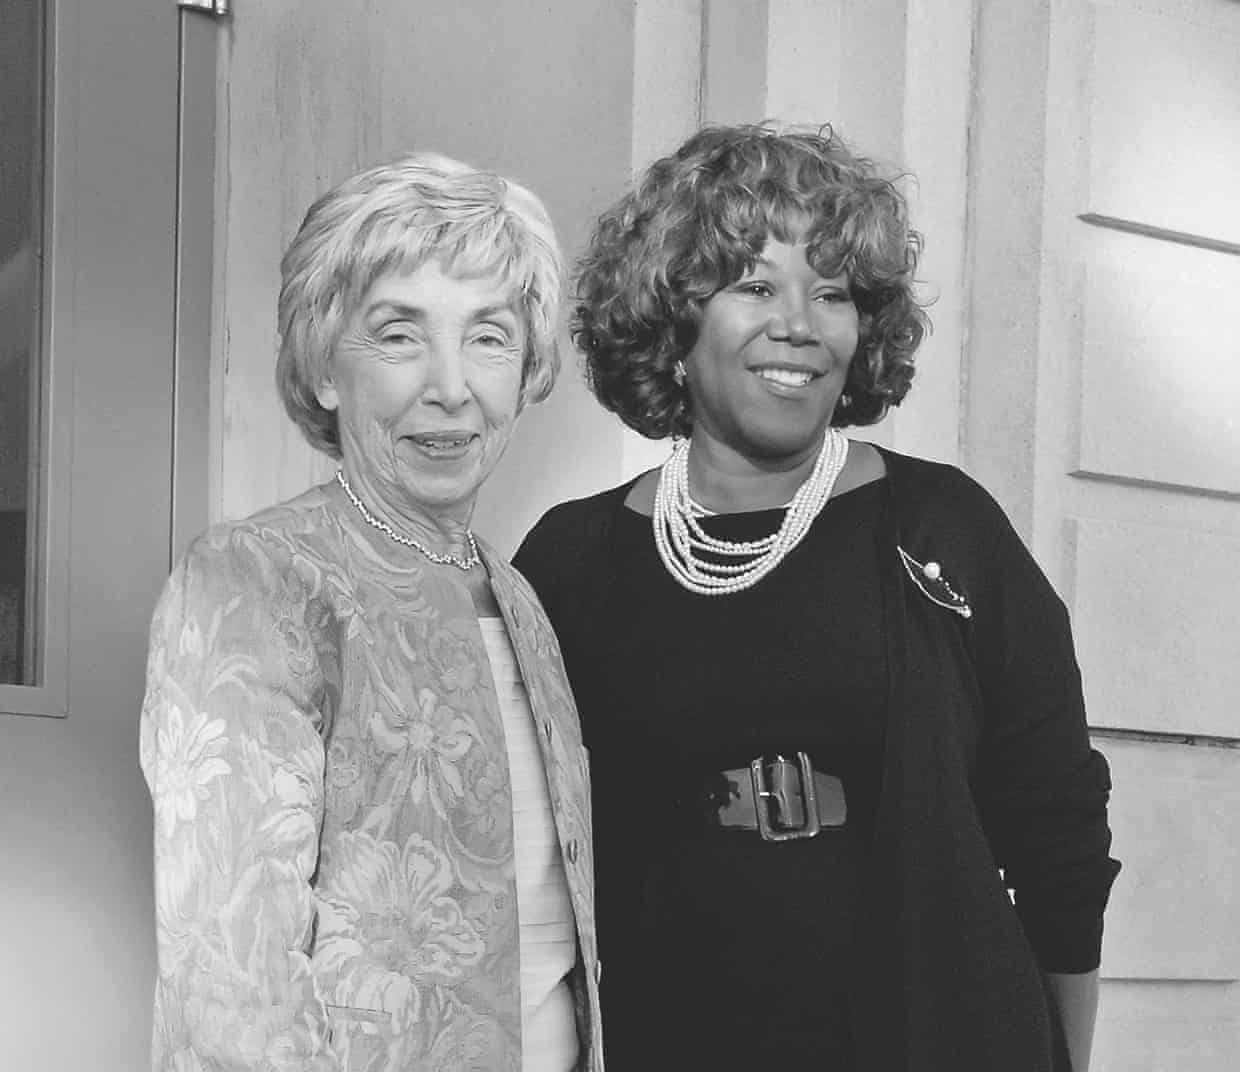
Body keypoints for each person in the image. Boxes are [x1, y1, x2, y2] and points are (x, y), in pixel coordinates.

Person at [513, 124, 1119, 1071]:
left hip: (938, 1035)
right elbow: (527, 871)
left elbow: (1060, 836)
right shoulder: (570, 560)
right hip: (672, 1034)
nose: (799, 324)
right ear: (673, 323)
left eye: (832, 293)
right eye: (755, 287)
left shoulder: (944, 530)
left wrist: (1061, 1058)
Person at [139, 153, 603, 1071]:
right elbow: (231, 983)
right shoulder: (257, 579)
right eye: (399, 336)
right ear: (324, 367)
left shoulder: (519, 599)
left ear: (526, 369)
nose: (451, 386)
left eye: (489, 337)